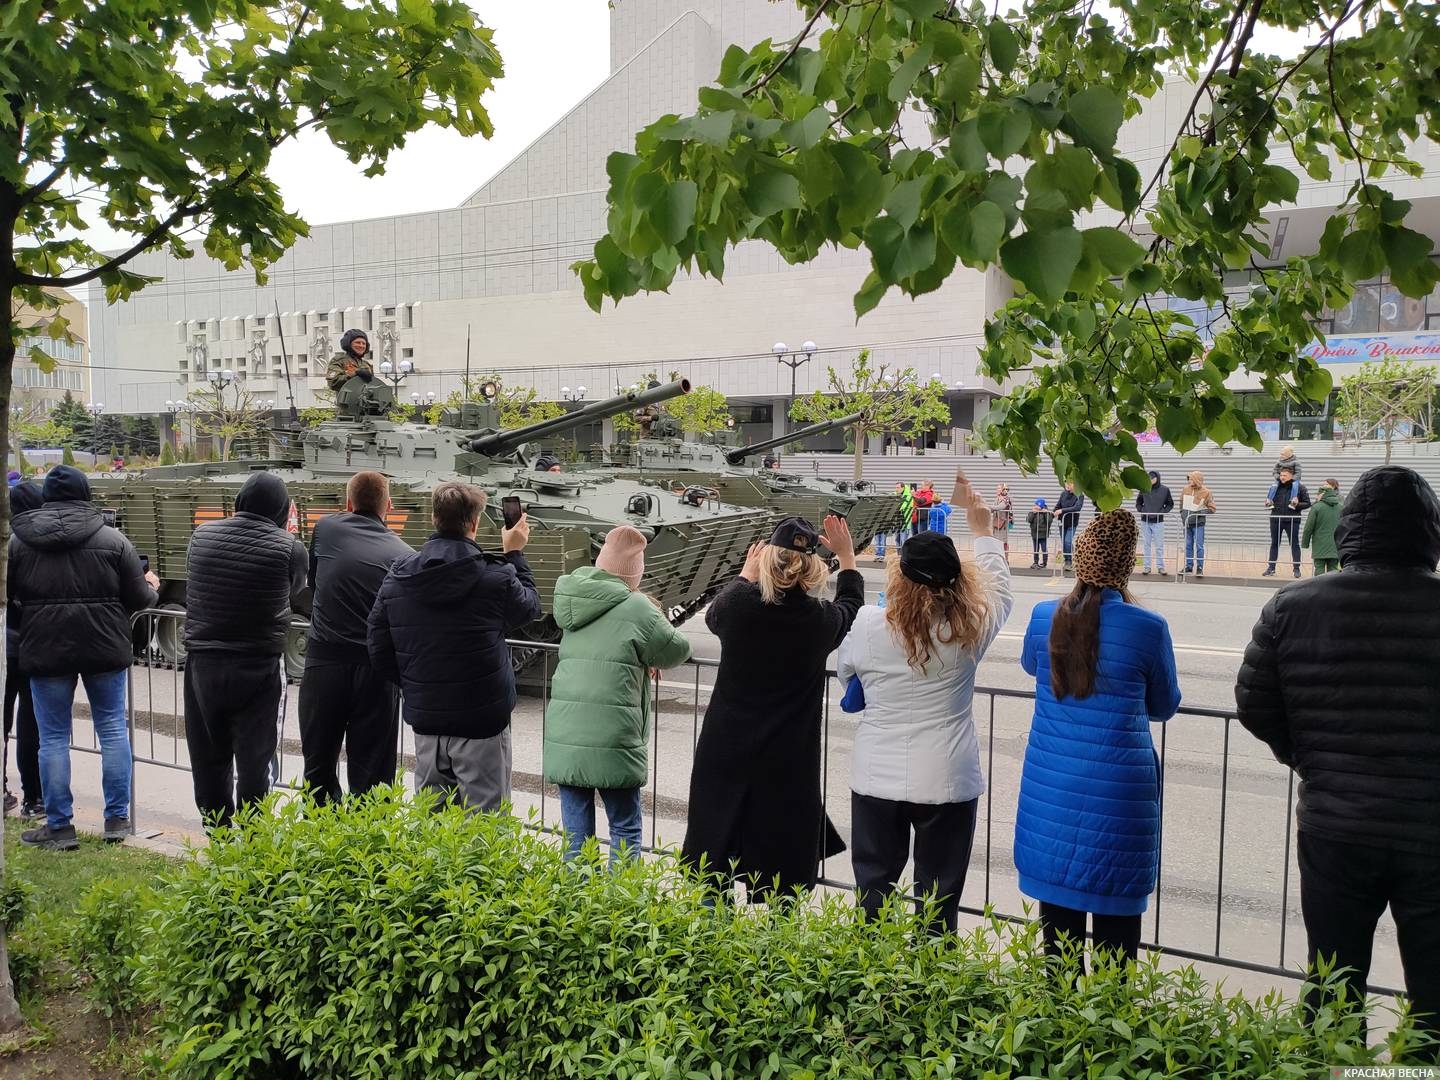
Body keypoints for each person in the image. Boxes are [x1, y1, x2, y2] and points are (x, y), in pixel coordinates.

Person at [1236, 466, 1440, 1053]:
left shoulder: (1292, 606)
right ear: (1428, 530)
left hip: (1336, 827)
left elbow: (1255, 705)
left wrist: (1312, 760)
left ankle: (1337, 1069)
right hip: (1431, 830)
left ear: (1349, 529)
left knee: (1332, 982)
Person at [838, 474, 1014, 933]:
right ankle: (930, 991)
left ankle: (867, 986)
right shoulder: (972, 630)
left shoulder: (869, 623)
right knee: (938, 904)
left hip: (876, 774)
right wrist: (983, 533)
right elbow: (1001, 591)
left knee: (872, 897)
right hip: (948, 778)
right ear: (958, 583)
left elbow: (845, 674)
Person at [1014, 510, 1181, 971]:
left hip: (1054, 786)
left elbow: (1032, 666)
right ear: (1127, 565)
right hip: (1119, 792)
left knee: (1058, 950)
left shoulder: (1045, 615)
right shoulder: (1149, 628)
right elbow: (1164, 705)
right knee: (1116, 945)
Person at [682, 514, 863, 901]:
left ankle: (711, 937)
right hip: (787, 755)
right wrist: (847, 558)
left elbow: (715, 613)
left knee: (715, 847)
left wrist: (746, 573)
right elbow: (851, 605)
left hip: (725, 748)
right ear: (813, 569)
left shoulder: (737, 607)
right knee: (783, 867)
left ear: (765, 560)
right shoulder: (819, 620)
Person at [367, 481, 541, 813]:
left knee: (433, 823)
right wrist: (515, 553)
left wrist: (417, 683)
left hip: (427, 717)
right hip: (481, 721)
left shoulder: (399, 576)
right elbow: (529, 608)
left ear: (434, 518)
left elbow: (377, 646)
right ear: (474, 523)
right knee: (485, 824)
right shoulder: (497, 577)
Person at [9, 466, 159, 850]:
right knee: (111, 729)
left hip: (46, 648)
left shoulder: (20, 542)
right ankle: (117, 819)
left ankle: (59, 826)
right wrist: (151, 586)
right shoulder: (113, 539)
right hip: (104, 645)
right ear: (86, 493)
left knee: (53, 737)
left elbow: (15, 601)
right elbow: (140, 599)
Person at [543, 526, 692, 862]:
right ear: (634, 571)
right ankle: (619, 905)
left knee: (576, 836)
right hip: (614, 736)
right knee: (625, 828)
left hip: (566, 734)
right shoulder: (638, 607)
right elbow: (676, 649)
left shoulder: (571, 596)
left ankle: (576, 903)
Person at [183, 472, 309, 827]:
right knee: (256, 756)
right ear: (282, 510)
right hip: (258, 665)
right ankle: (254, 836)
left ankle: (217, 833)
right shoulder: (289, 547)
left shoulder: (201, 535)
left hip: (203, 662)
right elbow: (295, 589)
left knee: (208, 752)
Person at [299, 472, 413, 804]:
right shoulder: (404, 554)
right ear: (388, 506)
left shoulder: (326, 528)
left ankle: (319, 843)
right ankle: (370, 847)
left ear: (347, 503)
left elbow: (315, 582)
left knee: (318, 766)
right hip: (377, 671)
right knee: (374, 773)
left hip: (324, 663)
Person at [4, 482, 45, 819]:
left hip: (11, 641)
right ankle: (34, 797)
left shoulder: (12, 543)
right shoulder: (33, 542)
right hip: (28, 643)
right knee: (30, 721)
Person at [1264, 467, 1311, 578]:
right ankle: (1271, 568)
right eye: (1281, 475)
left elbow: (1308, 503)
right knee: (1274, 544)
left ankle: (1296, 569)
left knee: (1294, 544)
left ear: (1291, 475)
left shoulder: (1299, 487)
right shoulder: (1274, 487)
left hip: (1292, 520)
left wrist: (1297, 505)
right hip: (1276, 519)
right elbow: (1270, 503)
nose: (1282, 477)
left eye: (1284, 475)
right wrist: (1268, 503)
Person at [1135, 470, 1174, 575]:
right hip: (1145, 521)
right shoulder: (1144, 489)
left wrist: (1162, 512)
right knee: (1146, 544)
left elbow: (1170, 504)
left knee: (1159, 545)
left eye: (1152, 478)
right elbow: (1138, 503)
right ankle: (1147, 567)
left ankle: (1160, 567)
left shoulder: (1165, 490)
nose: (1151, 480)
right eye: (1149, 478)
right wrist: (1142, 510)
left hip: (1158, 522)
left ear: (1157, 478)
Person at [1180, 471, 1217, 576]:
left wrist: (1200, 513)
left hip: (1198, 524)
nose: (1189, 481)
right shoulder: (1185, 489)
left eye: (1191, 479)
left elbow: (1213, 508)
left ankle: (1200, 567)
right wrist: (1182, 514)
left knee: (1199, 545)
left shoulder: (1206, 492)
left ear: (1197, 480)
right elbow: (1181, 503)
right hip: (1186, 523)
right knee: (1188, 545)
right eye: (1188, 479)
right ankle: (1188, 566)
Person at [1300, 479, 1341, 576]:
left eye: (1318, 494)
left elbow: (1308, 528)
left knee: (1319, 568)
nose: (1317, 496)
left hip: (1319, 543)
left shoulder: (1317, 507)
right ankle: (1332, 588)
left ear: (1322, 494)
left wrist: (1305, 543)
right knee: (1333, 568)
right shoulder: (1341, 507)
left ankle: (1319, 588)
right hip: (1336, 544)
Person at [872, 482, 911, 561]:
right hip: (896, 523)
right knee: (897, 540)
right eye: (895, 487)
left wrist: (893, 506)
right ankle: (899, 556)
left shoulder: (908, 496)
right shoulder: (894, 495)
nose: (896, 489)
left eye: (898, 487)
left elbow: (901, 507)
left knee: (904, 541)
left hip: (905, 523)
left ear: (903, 488)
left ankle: (904, 557)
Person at [1052, 481, 1085, 569]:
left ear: (1075, 485)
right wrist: (1052, 514)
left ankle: (1069, 562)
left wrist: (1062, 511)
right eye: (1066, 483)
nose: (1067, 485)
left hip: (1072, 523)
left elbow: (1077, 507)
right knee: (1064, 543)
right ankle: (1069, 557)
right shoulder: (1063, 493)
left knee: (1067, 541)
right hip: (1062, 522)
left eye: (1070, 484)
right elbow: (1058, 506)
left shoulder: (1079, 495)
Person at [1027, 498, 1051, 568]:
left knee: (1044, 548)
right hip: (1035, 533)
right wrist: (1033, 513)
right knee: (1036, 548)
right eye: (1036, 505)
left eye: (1039, 505)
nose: (1037, 507)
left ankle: (1044, 562)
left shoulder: (1046, 512)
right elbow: (1029, 520)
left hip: (1043, 533)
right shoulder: (1032, 511)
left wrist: (1045, 513)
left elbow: (1049, 521)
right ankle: (1035, 562)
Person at [992, 484, 1013, 559]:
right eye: (997, 488)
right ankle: (999, 558)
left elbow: (1000, 507)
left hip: (1003, 524)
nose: (997, 490)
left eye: (999, 488)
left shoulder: (1006, 499)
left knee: (1003, 542)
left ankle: (1005, 559)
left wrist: (987, 507)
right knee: (996, 542)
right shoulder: (997, 498)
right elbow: (993, 509)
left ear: (1003, 490)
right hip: (996, 524)